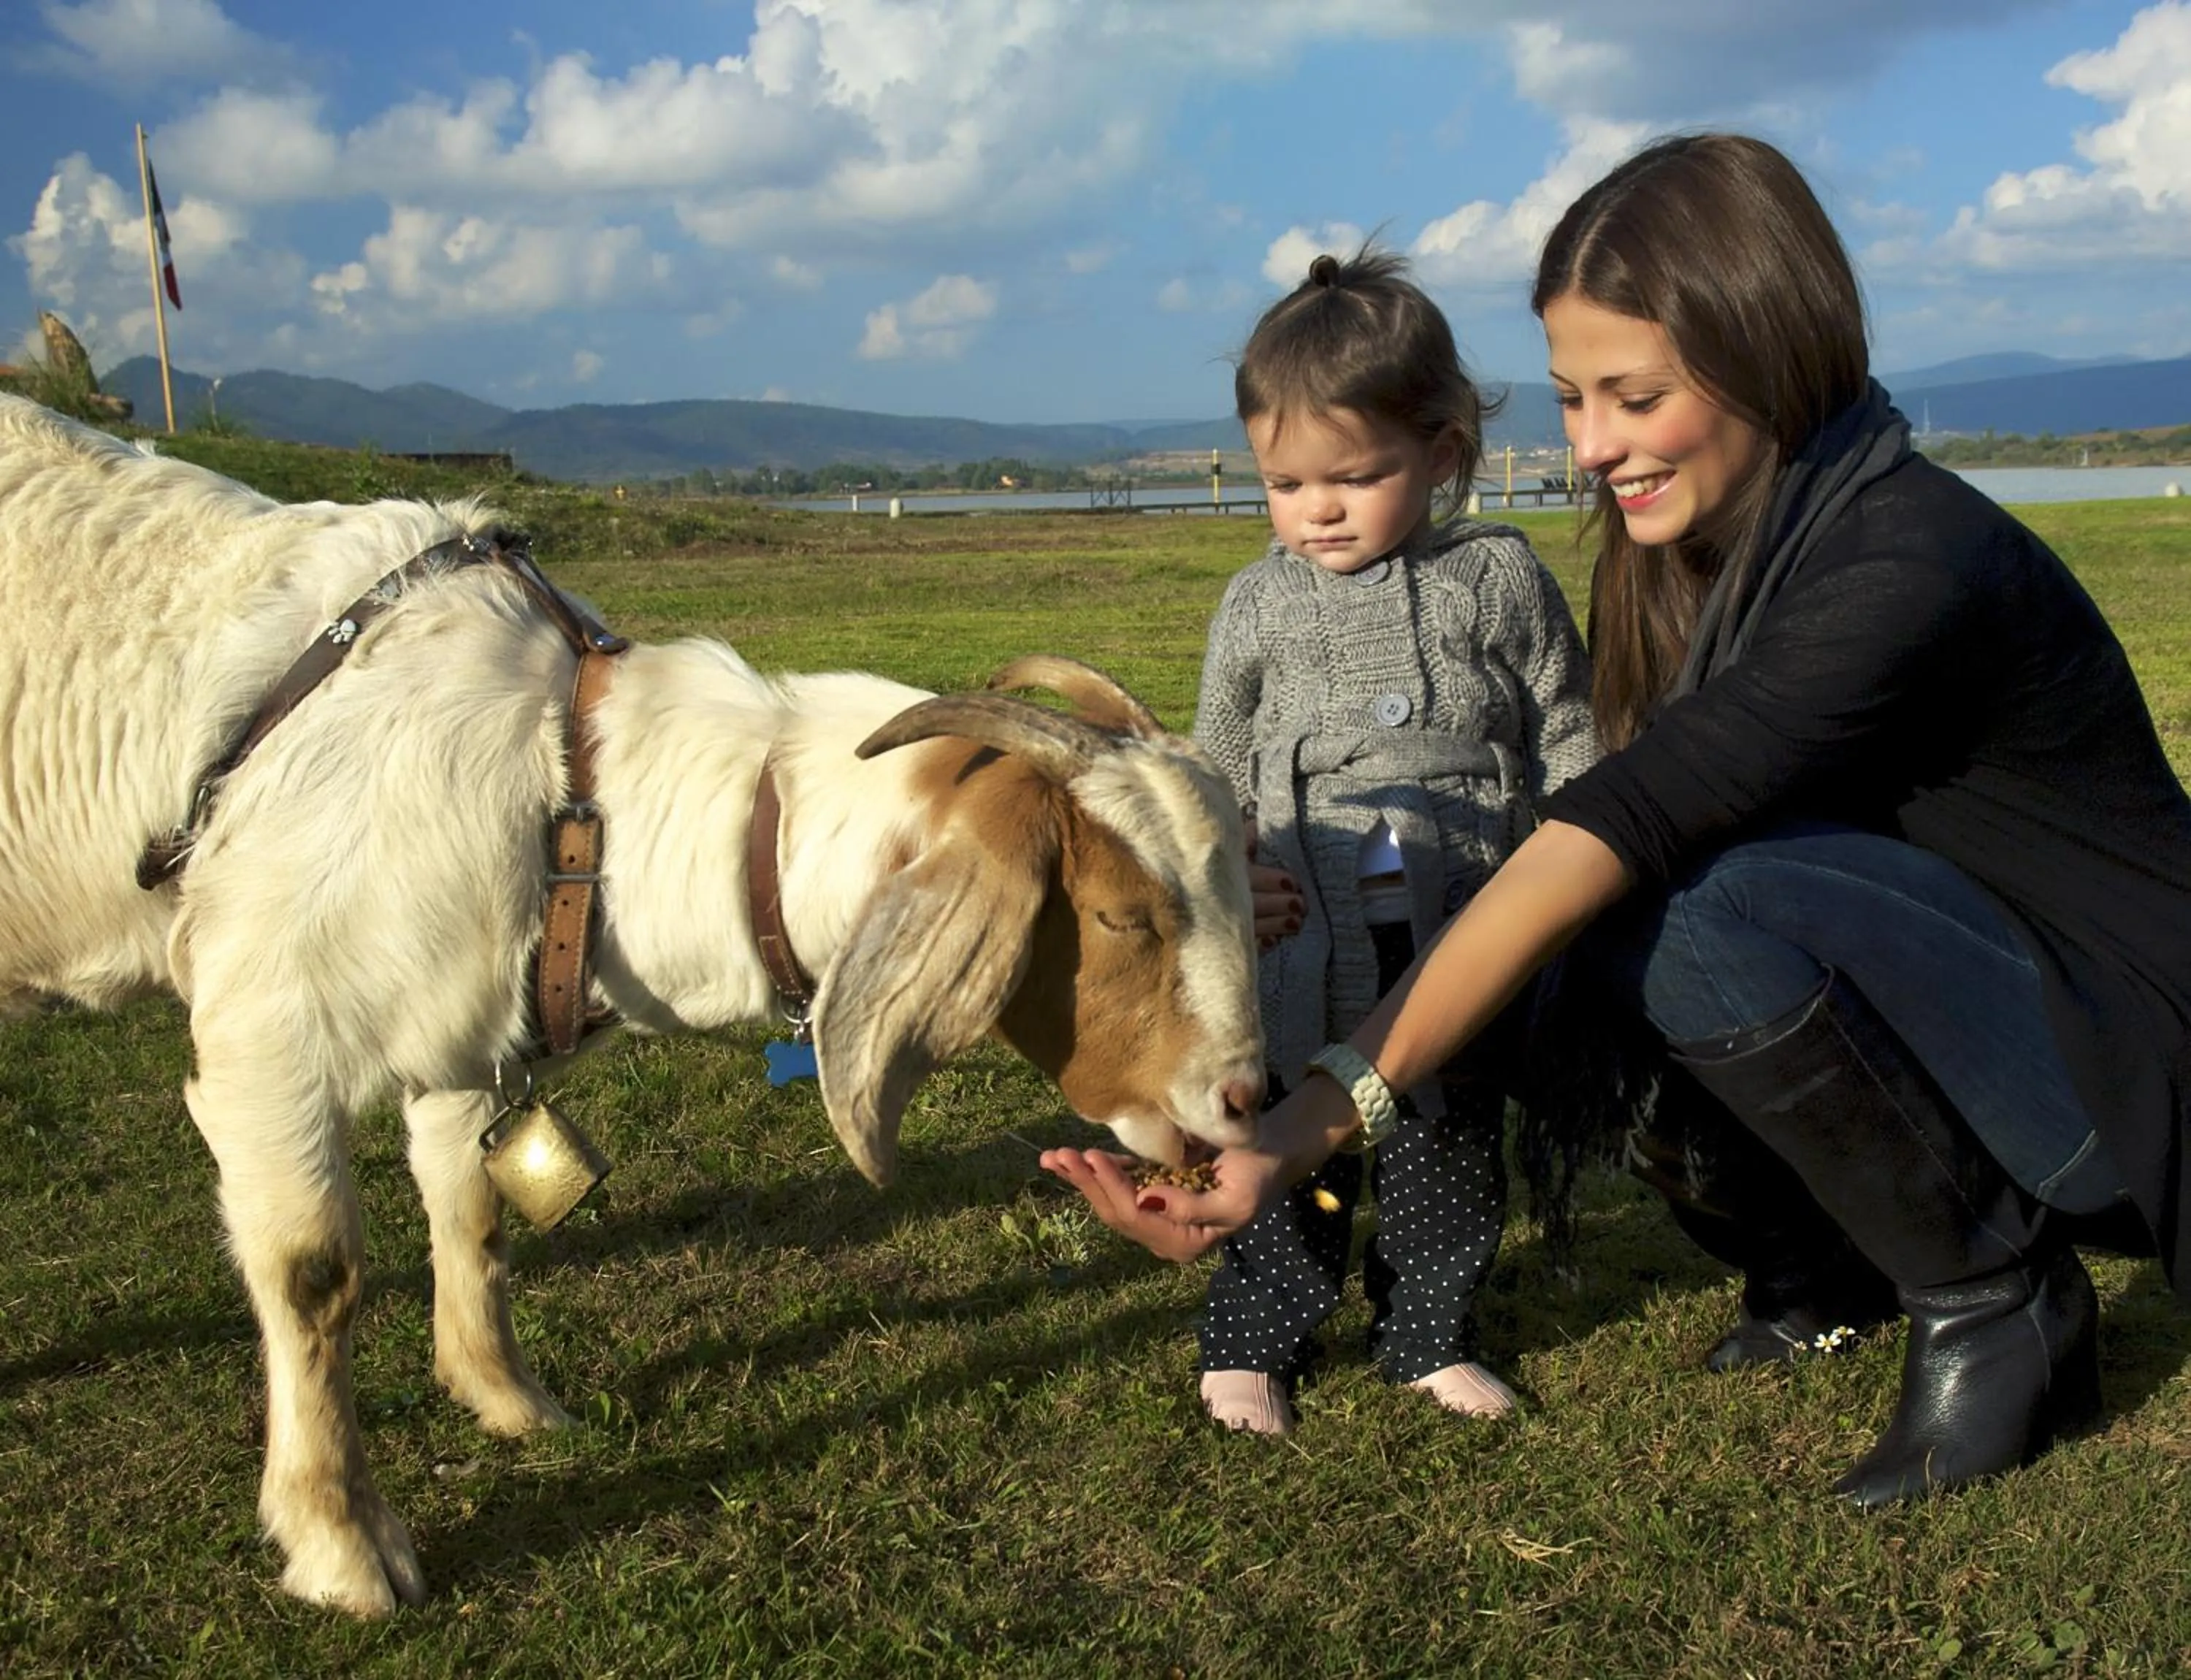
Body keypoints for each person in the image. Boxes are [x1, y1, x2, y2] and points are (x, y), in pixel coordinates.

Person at [1044, 131, 2191, 1506]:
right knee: (1613, 948)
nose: (1589, 446)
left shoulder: (1905, 560)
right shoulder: (1710, 549)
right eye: (1575, 398)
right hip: (2001, 1029)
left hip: (2123, 1073)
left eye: (1632, 395)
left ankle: (1997, 1294)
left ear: (1766, 350)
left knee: (1691, 908)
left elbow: (1610, 825)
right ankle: (1820, 1256)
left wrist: (1302, 1128)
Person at [1187, 248, 1597, 1435]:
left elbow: (1566, 722)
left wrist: (1572, 862)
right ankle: (1257, 1331)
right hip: (1301, 945)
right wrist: (1229, 877)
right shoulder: (1258, 603)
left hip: (1462, 928)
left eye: (1357, 477)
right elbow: (1214, 761)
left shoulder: (1495, 580)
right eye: (1284, 483)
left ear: (1443, 454)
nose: (1318, 510)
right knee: (1289, 1146)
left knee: (1448, 1138)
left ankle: (1427, 1329)